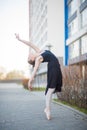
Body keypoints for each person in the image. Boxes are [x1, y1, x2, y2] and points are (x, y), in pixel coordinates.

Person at [15, 33, 63, 120]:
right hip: (53, 68)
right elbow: (34, 70)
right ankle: (47, 109)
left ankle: (47, 108)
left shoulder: (40, 52)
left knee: (51, 89)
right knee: (51, 89)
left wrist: (20, 39)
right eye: (29, 56)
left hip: (56, 67)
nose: (29, 54)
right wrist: (30, 81)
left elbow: (30, 44)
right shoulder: (38, 59)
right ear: (32, 59)